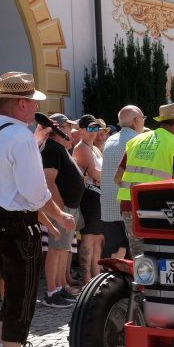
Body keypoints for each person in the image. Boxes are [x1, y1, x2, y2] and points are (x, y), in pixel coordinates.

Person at [0, 71, 75, 347]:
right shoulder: (19, 136)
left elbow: (4, 167)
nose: (35, 109)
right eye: (32, 103)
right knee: (23, 296)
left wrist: (36, 142)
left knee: (12, 291)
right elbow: (34, 191)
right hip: (15, 222)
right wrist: (60, 216)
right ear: (20, 104)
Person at [116, 102, 174, 258]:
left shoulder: (135, 141)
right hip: (160, 210)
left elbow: (118, 177)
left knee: (140, 259)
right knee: (162, 256)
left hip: (129, 206)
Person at [41, 113, 86, 307]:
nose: (71, 130)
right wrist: (59, 210)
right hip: (62, 208)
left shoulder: (60, 148)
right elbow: (49, 181)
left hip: (68, 207)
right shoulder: (51, 149)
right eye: (68, 126)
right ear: (58, 128)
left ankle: (59, 288)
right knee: (56, 249)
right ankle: (52, 291)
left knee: (62, 249)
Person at [101, 105, 144, 260]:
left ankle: (114, 275)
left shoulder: (109, 140)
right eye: (143, 118)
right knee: (135, 253)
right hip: (127, 204)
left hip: (107, 205)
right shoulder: (138, 141)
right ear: (136, 120)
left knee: (116, 250)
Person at [73, 114, 104, 283]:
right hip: (89, 197)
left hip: (97, 195)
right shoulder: (82, 148)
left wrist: (101, 176)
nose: (94, 131)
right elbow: (94, 173)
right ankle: (87, 280)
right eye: (90, 128)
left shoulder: (95, 149)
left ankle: (96, 277)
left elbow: (99, 174)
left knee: (97, 239)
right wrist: (103, 176)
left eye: (96, 128)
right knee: (88, 238)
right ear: (81, 130)